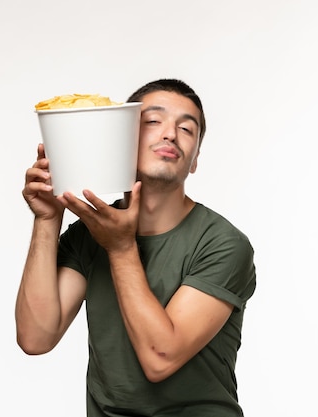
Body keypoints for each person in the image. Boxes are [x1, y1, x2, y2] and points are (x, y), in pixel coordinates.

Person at [16, 79, 256, 416]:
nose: (170, 133)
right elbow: (35, 337)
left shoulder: (222, 244)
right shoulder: (88, 235)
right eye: (153, 122)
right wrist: (47, 219)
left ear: (195, 159)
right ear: (119, 139)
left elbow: (161, 358)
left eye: (187, 129)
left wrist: (120, 248)